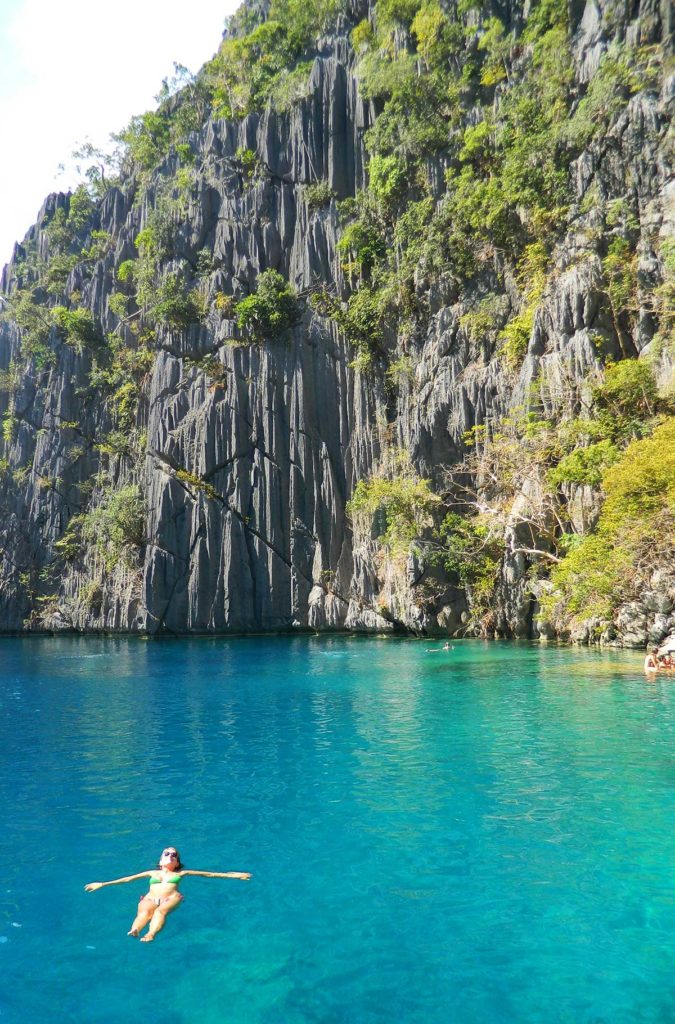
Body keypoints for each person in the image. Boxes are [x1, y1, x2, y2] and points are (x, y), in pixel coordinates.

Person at [84, 846, 251, 942]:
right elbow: (128, 879)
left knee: (160, 911)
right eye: (167, 853)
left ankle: (151, 934)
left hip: (171, 898)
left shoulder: (181, 874)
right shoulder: (151, 873)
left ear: (177, 862)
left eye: (174, 855)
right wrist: (102, 884)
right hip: (150, 897)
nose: (171, 855)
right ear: (161, 859)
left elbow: (209, 874)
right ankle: (135, 930)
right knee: (144, 911)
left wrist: (234, 875)